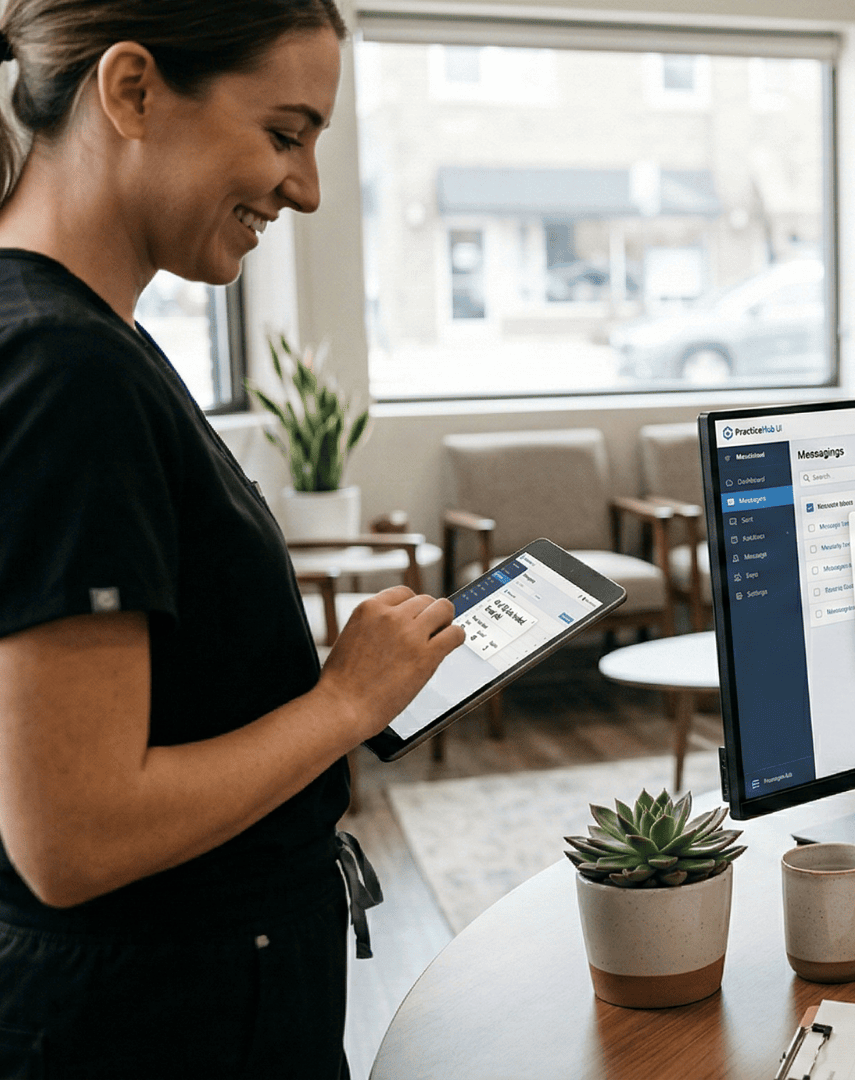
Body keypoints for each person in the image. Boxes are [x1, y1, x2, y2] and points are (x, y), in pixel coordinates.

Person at [0, 3, 464, 1076]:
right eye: (285, 134)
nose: (304, 187)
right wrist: (345, 702)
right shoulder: (64, 374)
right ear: (132, 91)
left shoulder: (85, 340)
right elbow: (74, 839)